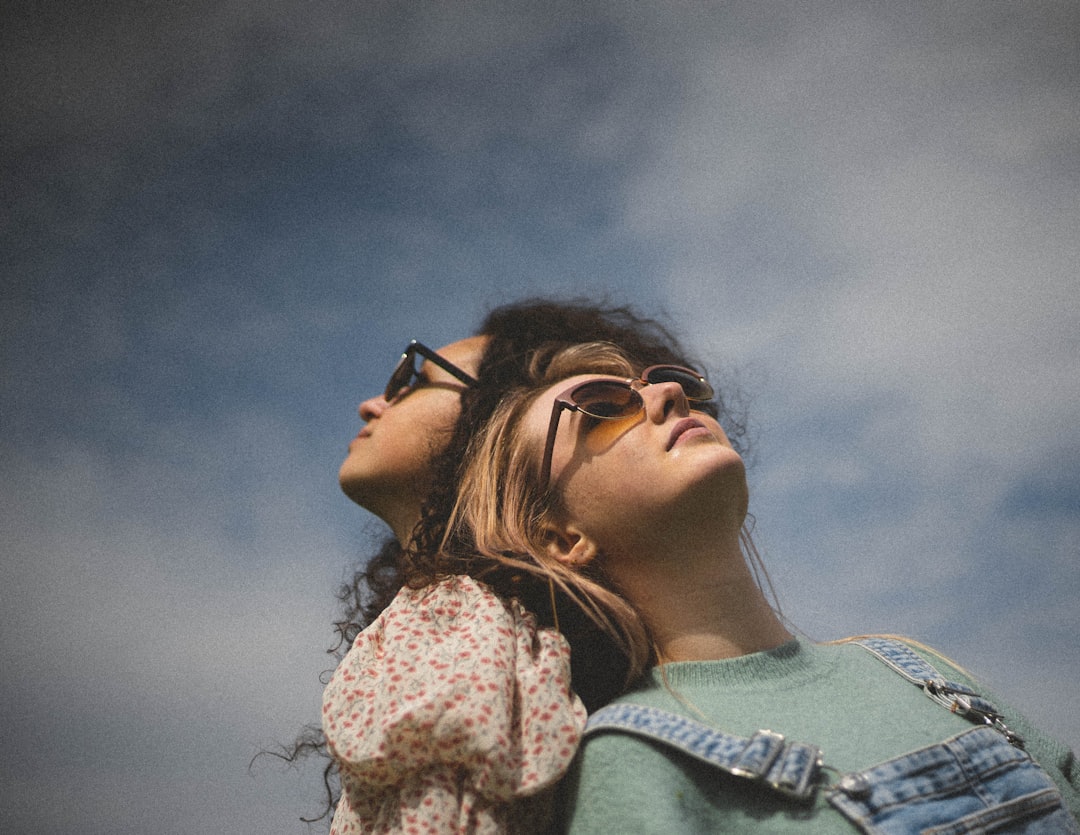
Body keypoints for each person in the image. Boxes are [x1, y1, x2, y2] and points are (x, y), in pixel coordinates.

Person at [448, 341, 1080, 833]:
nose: (670, 393)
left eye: (679, 386)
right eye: (603, 410)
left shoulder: (914, 668)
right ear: (560, 538)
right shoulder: (633, 757)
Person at [317, 300, 739, 833]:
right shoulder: (443, 651)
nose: (372, 403)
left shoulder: (512, 676)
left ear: (490, 418)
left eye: (415, 380)